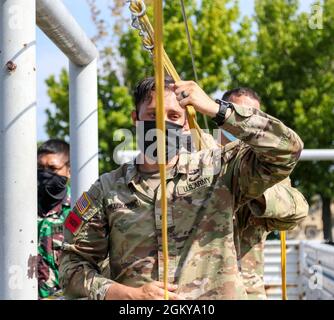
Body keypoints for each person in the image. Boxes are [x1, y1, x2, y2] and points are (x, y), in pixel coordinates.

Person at [59, 77, 304, 300]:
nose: (163, 124)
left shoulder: (218, 169)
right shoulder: (108, 189)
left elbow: (287, 149)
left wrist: (216, 109)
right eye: (153, 115)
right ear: (135, 120)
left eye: (174, 116)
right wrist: (125, 294)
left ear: (186, 124)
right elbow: (72, 264)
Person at [221, 88, 308, 299]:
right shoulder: (201, 163)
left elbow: (296, 211)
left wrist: (255, 190)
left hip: (249, 291)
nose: (243, 124)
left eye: (251, 117)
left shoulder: (265, 172)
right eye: (238, 114)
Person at [37, 139, 71, 299]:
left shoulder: (81, 211)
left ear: (69, 171)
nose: (45, 173)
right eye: (39, 168)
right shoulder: (16, 211)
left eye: (52, 168)